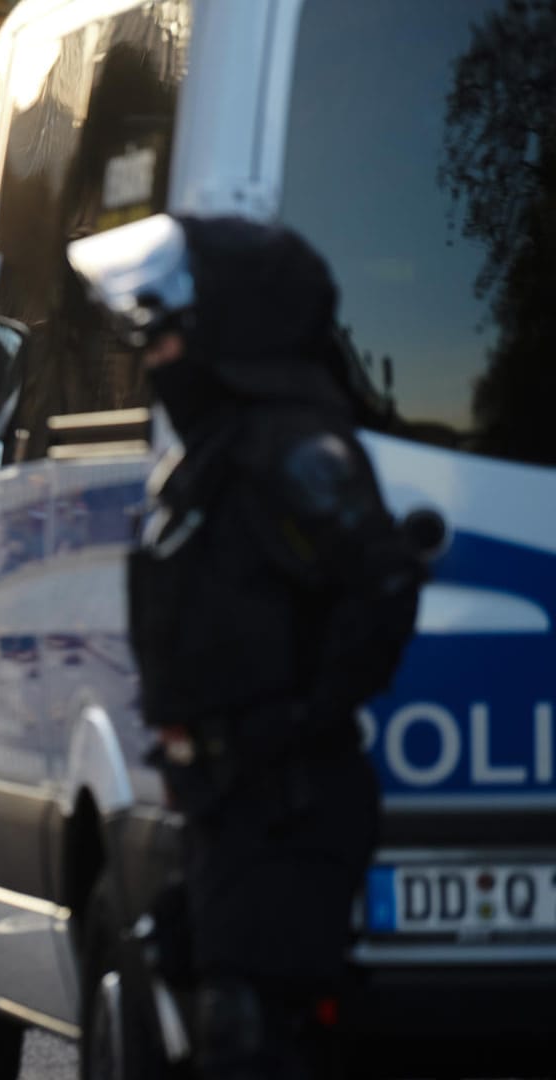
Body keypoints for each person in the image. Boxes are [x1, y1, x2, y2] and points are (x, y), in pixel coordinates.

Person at [66, 214, 428, 1079]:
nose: (156, 363)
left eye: (169, 342)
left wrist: (298, 718)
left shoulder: (293, 452)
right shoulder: (223, 454)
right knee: (204, 998)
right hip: (232, 800)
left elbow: (382, 585)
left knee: (253, 1035)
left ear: (228, 337)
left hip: (286, 801)